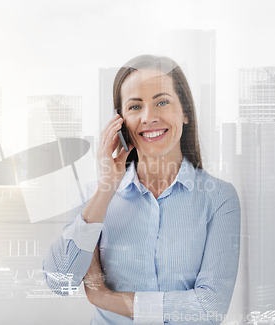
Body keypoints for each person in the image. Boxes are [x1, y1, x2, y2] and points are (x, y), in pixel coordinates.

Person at [43, 55, 241, 325]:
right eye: (135, 107)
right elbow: (60, 282)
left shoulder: (219, 198)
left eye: (162, 102)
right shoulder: (95, 196)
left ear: (185, 113)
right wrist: (105, 190)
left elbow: (209, 309)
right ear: (121, 121)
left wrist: (104, 297)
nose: (149, 117)